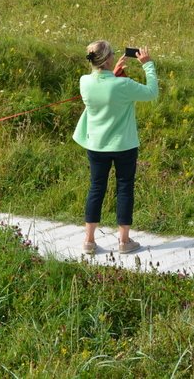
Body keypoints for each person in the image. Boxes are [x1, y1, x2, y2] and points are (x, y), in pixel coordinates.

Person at [72, 40, 158, 255]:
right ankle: (124, 241)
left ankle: (89, 241)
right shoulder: (124, 86)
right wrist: (148, 64)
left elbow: (104, 87)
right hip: (124, 145)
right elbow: (151, 92)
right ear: (109, 59)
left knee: (96, 188)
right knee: (125, 188)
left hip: (96, 144)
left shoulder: (85, 82)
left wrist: (114, 74)